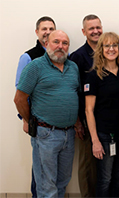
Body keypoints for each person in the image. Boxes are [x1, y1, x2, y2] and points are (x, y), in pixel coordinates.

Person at [14, 30, 80, 198]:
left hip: (69, 134)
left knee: (63, 182)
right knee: (46, 185)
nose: (60, 46)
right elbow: (19, 99)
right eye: (56, 42)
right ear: (46, 44)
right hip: (45, 134)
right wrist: (30, 121)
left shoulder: (73, 68)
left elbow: (74, 97)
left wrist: (77, 121)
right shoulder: (35, 67)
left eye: (65, 43)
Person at [84, 32, 119, 197]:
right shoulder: (93, 76)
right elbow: (88, 110)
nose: (111, 49)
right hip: (104, 136)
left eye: (115, 45)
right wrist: (95, 141)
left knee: (118, 177)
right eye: (107, 45)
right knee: (104, 179)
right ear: (101, 49)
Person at [15, 16, 56, 198]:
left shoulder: (62, 55)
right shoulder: (28, 57)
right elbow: (20, 92)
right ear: (37, 32)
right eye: (44, 29)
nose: (47, 32)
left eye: (51, 28)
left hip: (59, 125)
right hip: (38, 123)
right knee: (40, 170)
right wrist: (27, 119)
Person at [70, 14, 103, 198]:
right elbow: (72, 91)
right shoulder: (78, 57)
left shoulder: (109, 52)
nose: (96, 31)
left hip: (106, 119)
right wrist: (77, 121)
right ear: (84, 32)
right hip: (86, 119)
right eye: (91, 28)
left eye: (98, 27)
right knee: (88, 166)